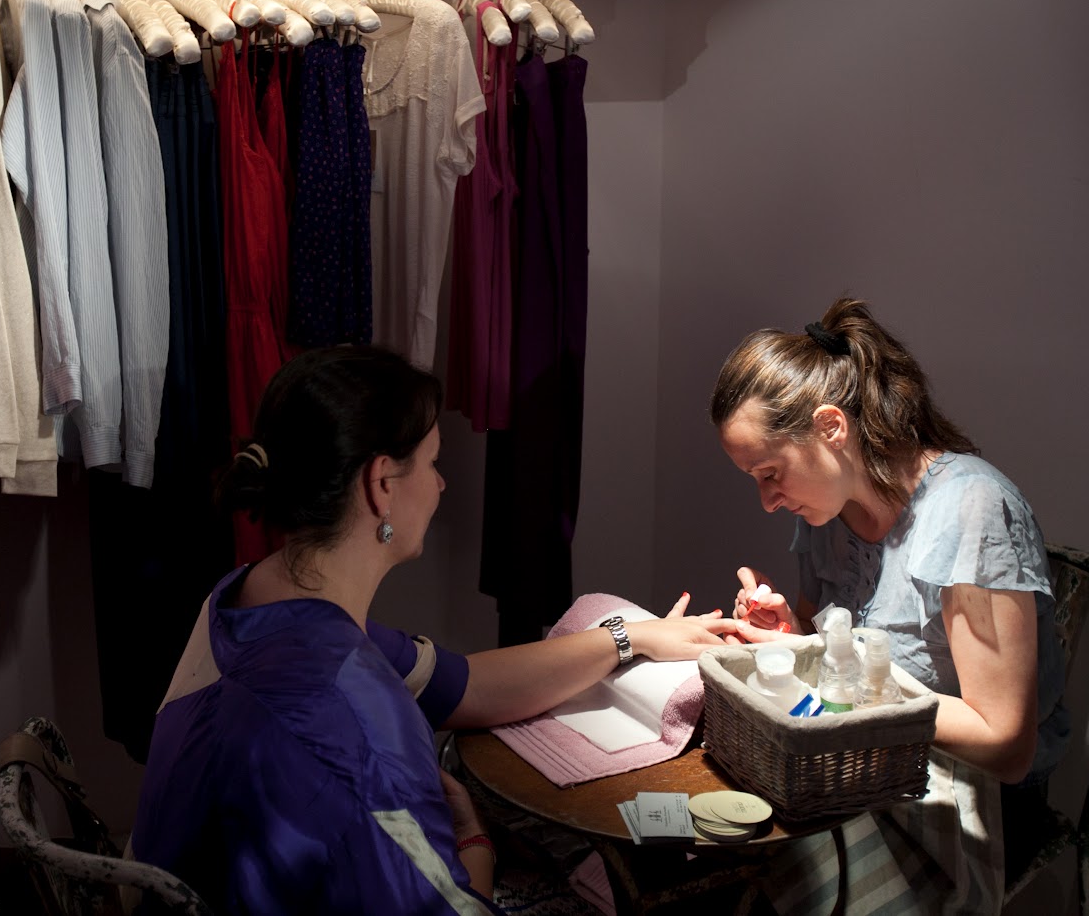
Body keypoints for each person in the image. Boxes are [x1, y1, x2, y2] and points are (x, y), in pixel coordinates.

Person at [131, 345, 730, 914]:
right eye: (433, 462)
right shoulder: (360, 721)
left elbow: (463, 684)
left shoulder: (245, 600)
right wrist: (475, 845)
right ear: (381, 485)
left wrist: (631, 637)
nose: (441, 484)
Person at [708, 297, 1069, 913]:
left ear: (831, 427)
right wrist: (792, 639)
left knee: (781, 860)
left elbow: (1005, 746)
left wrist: (827, 670)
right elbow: (831, 649)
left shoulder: (970, 511)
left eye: (770, 473)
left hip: (979, 791)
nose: (768, 501)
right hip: (869, 757)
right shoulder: (827, 511)